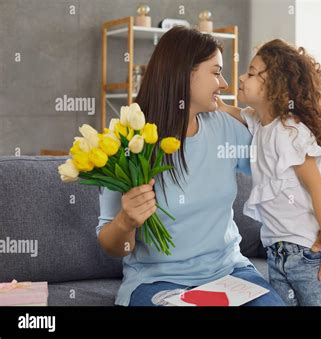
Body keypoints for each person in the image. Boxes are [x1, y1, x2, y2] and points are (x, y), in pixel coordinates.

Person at [96, 27, 286, 307]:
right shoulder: (127, 142)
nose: (223, 83)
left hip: (229, 272)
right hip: (157, 281)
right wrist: (126, 221)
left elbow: (282, 167)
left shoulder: (226, 130)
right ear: (184, 73)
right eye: (216, 72)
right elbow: (111, 245)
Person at [217, 39, 321, 306]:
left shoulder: (290, 132)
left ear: (274, 86)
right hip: (276, 253)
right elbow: (238, 113)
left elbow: (320, 192)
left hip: (307, 254)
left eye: (251, 72)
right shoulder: (260, 124)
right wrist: (220, 107)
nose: (242, 78)